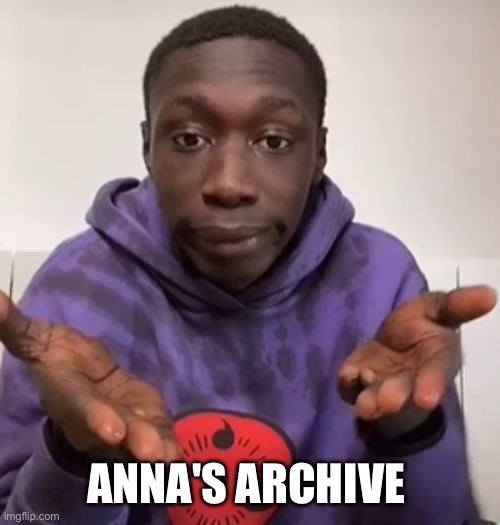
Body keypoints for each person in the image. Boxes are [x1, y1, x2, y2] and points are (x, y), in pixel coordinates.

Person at [0, 5, 496, 525]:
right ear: (147, 147)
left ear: (318, 154)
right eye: (190, 139)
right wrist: (75, 458)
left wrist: (410, 435)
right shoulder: (77, 290)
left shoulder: (379, 280)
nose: (229, 183)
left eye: (274, 141)